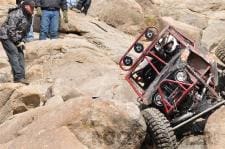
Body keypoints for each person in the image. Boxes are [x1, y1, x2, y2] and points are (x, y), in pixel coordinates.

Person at [0, 0, 35, 84]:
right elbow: (10, 30)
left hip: (17, 37)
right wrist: (17, 41)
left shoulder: (29, 15)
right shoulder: (16, 14)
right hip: (6, 36)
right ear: (25, 6)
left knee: (21, 55)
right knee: (14, 53)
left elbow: (26, 30)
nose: (31, 9)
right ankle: (18, 77)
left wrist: (22, 41)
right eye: (30, 7)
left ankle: (22, 77)